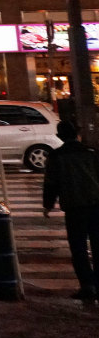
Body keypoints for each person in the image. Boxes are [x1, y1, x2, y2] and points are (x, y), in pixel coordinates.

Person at [43, 120, 99, 300]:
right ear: (77, 134)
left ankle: (87, 286)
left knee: (78, 248)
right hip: (95, 205)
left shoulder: (56, 156)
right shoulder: (91, 153)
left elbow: (51, 183)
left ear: (60, 137)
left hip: (74, 208)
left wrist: (48, 205)